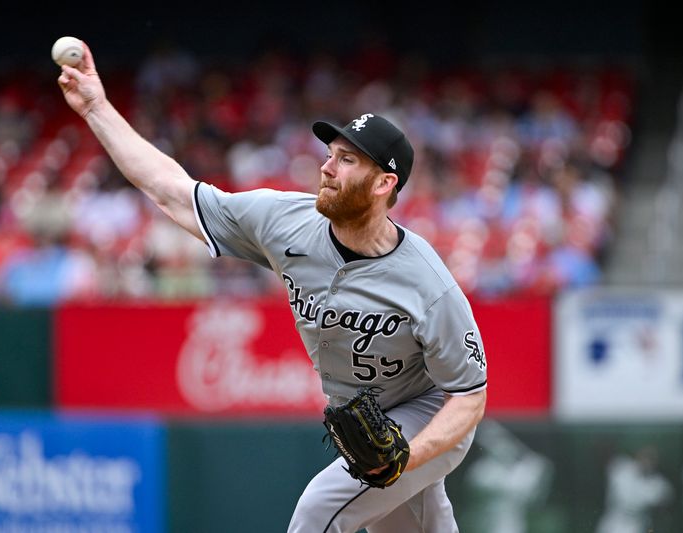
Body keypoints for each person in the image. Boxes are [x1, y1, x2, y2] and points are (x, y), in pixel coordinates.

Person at [57, 41, 487, 533]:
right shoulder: (283, 221)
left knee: (318, 511)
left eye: (347, 160)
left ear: (383, 184)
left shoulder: (427, 282)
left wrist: (409, 454)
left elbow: (470, 396)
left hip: (429, 417)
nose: (326, 167)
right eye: (330, 154)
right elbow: (171, 192)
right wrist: (96, 107)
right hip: (366, 419)